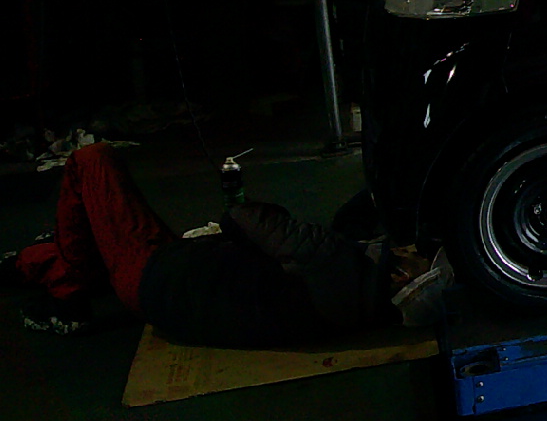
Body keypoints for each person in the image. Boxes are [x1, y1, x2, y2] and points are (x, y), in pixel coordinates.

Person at [1, 144, 450, 347]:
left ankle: (68, 297)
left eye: (419, 259)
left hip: (163, 275)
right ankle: (24, 265)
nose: (412, 249)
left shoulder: (335, 261)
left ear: (401, 277)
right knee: (92, 243)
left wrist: (263, 217)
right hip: (178, 291)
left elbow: (244, 218)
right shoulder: (356, 304)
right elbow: (346, 227)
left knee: (92, 161)